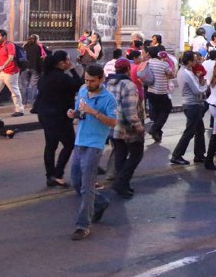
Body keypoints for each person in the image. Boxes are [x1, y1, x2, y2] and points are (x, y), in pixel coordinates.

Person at [67, 64, 117, 241]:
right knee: (76, 182)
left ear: (101, 79)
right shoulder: (83, 90)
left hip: (95, 144)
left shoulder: (109, 98)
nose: (88, 84)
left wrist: (94, 112)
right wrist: (74, 113)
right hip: (80, 141)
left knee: (87, 186)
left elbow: (112, 122)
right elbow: (80, 113)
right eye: (86, 80)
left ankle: (83, 225)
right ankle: (101, 202)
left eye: (92, 81)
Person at [36, 50, 83, 187]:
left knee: (51, 145)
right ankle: (58, 173)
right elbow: (79, 84)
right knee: (69, 143)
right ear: (62, 63)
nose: (70, 62)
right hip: (59, 116)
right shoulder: (62, 78)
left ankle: (50, 175)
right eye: (68, 60)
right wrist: (73, 70)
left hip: (45, 114)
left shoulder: (44, 76)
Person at [105, 59, 145, 198]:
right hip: (127, 128)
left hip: (113, 126)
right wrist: (138, 126)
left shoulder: (108, 83)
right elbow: (130, 111)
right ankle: (120, 183)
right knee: (136, 155)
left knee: (120, 155)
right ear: (128, 69)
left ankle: (123, 185)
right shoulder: (128, 85)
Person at [170, 51, 208, 166]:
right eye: (194, 60)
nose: (196, 62)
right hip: (192, 104)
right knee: (190, 131)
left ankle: (199, 154)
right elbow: (197, 90)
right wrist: (205, 85)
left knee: (199, 130)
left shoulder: (184, 71)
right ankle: (177, 155)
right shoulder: (186, 73)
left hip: (191, 104)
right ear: (189, 61)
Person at [138, 46, 174, 144]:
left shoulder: (148, 63)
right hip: (161, 92)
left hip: (150, 91)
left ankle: (157, 133)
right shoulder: (164, 64)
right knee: (166, 110)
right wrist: (166, 61)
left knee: (157, 112)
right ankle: (154, 129)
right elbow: (171, 75)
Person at [0, 29, 24, 116]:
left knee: (14, 91)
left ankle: (19, 110)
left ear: (4, 37)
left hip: (11, 71)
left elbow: (11, 58)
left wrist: (2, 67)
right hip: (1, 72)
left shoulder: (10, 45)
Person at [22, 34, 45, 108]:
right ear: (36, 40)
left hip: (25, 68)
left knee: (25, 85)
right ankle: (33, 102)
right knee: (33, 85)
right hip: (34, 68)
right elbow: (40, 58)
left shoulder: (25, 46)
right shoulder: (37, 47)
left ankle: (24, 102)